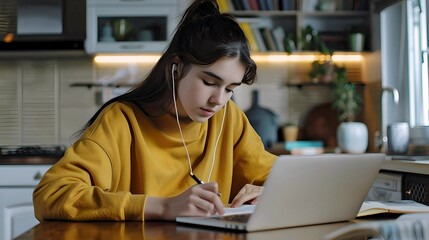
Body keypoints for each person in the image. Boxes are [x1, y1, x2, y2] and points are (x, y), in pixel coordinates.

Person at [33, 0, 277, 222]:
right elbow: (52, 195)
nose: (218, 100)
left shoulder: (228, 118)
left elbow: (289, 180)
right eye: (209, 82)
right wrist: (162, 207)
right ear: (176, 67)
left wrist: (268, 192)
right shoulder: (121, 120)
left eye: (230, 89)